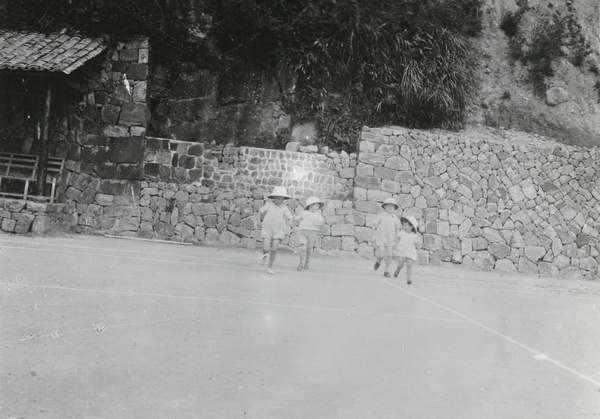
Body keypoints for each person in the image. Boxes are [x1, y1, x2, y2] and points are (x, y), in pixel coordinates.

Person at [258, 186, 293, 275]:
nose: (280, 201)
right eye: (278, 199)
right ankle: (264, 256)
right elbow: (260, 211)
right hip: (267, 229)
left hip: (278, 230)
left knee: (274, 249)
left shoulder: (284, 208)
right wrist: (258, 221)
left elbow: (290, 218)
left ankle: (270, 267)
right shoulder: (269, 205)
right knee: (266, 248)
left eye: (282, 199)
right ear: (274, 198)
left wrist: (288, 222)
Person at [373, 197, 402, 278]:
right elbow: (374, 225)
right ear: (385, 206)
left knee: (389, 255)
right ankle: (378, 261)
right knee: (381, 254)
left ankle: (386, 271)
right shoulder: (381, 216)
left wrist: (397, 239)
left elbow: (397, 229)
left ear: (394, 208)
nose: (390, 207)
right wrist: (373, 236)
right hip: (381, 238)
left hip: (391, 239)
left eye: (392, 206)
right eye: (388, 205)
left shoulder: (395, 218)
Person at [294, 196, 325, 271]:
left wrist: (317, 223)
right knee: (303, 248)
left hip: (312, 233)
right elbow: (296, 219)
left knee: (309, 249)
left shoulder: (318, 215)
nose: (317, 208)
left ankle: (307, 262)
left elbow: (322, 223)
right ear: (310, 205)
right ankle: (301, 263)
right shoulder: (303, 213)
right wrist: (298, 225)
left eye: (318, 206)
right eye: (316, 205)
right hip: (303, 232)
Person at [394, 215, 421, 284]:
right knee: (400, 263)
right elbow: (397, 238)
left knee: (409, 265)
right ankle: (398, 269)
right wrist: (396, 245)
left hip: (409, 251)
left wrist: (418, 248)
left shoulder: (413, 235)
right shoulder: (401, 233)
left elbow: (417, 242)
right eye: (404, 225)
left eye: (406, 226)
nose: (404, 227)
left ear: (411, 226)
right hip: (401, 250)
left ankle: (409, 279)